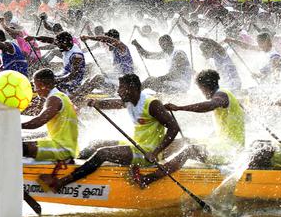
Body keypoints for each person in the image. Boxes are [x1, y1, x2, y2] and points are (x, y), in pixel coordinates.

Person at [37, 73, 179, 192]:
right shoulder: (130, 100)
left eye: (121, 88)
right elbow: (114, 103)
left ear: (132, 88)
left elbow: (174, 128)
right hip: (136, 145)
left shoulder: (152, 104)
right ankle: (69, 162)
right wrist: (97, 103)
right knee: (95, 144)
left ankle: (62, 182)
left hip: (147, 152)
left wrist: (155, 152)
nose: (118, 91)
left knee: (103, 153)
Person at [0, 68, 78, 186]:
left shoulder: (55, 99)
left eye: (36, 85)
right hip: (62, 145)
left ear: (43, 85)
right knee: (18, 143)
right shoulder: (62, 96)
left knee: (15, 145)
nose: (35, 90)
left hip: (62, 148)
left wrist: (13, 124)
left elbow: (38, 122)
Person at [132, 69, 245, 187]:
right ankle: (150, 161)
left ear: (204, 87)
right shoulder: (227, 94)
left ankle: (147, 179)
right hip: (222, 145)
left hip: (230, 151)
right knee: (183, 141)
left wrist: (179, 108)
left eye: (201, 89)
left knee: (190, 150)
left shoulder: (221, 96)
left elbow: (211, 105)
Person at [77, 29, 134, 97]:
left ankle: (77, 99)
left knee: (97, 78)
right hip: (117, 81)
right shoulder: (115, 50)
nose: (106, 44)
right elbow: (116, 69)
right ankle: (76, 95)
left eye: (107, 42)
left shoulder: (122, 47)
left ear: (114, 40)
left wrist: (89, 37)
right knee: (90, 79)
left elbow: (107, 39)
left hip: (125, 83)